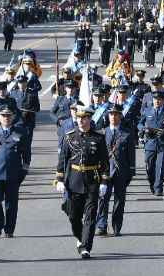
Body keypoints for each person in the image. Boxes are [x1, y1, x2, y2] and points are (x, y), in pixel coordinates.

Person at [56, 106, 110, 259]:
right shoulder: (70, 136)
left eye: (84, 117)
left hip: (92, 181)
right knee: (74, 216)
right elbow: (63, 160)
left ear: (90, 119)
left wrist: (104, 182)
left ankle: (86, 246)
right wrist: (59, 179)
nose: (81, 120)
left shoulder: (98, 137)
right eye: (79, 117)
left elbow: (105, 163)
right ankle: (80, 237)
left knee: (90, 217)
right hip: (74, 182)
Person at [0, 107, 30, 238]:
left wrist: (24, 171)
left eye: (8, 115)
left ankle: (9, 229)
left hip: (13, 174)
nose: (6, 118)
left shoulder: (21, 133)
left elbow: (26, 154)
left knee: (11, 203)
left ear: (12, 117)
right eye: (3, 116)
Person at [95, 105, 136, 236]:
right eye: (111, 114)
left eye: (116, 114)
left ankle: (117, 225)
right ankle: (102, 224)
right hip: (105, 173)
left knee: (119, 200)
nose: (113, 117)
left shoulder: (127, 133)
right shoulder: (101, 132)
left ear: (120, 116)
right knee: (103, 199)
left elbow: (131, 155)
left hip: (120, 171)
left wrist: (131, 172)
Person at [138, 90, 164, 196]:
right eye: (155, 99)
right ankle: (152, 184)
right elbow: (139, 123)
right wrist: (143, 129)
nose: (157, 101)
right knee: (149, 166)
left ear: (163, 100)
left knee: (160, 166)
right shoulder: (147, 111)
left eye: (159, 99)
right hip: (150, 143)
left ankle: (158, 188)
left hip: (163, 143)